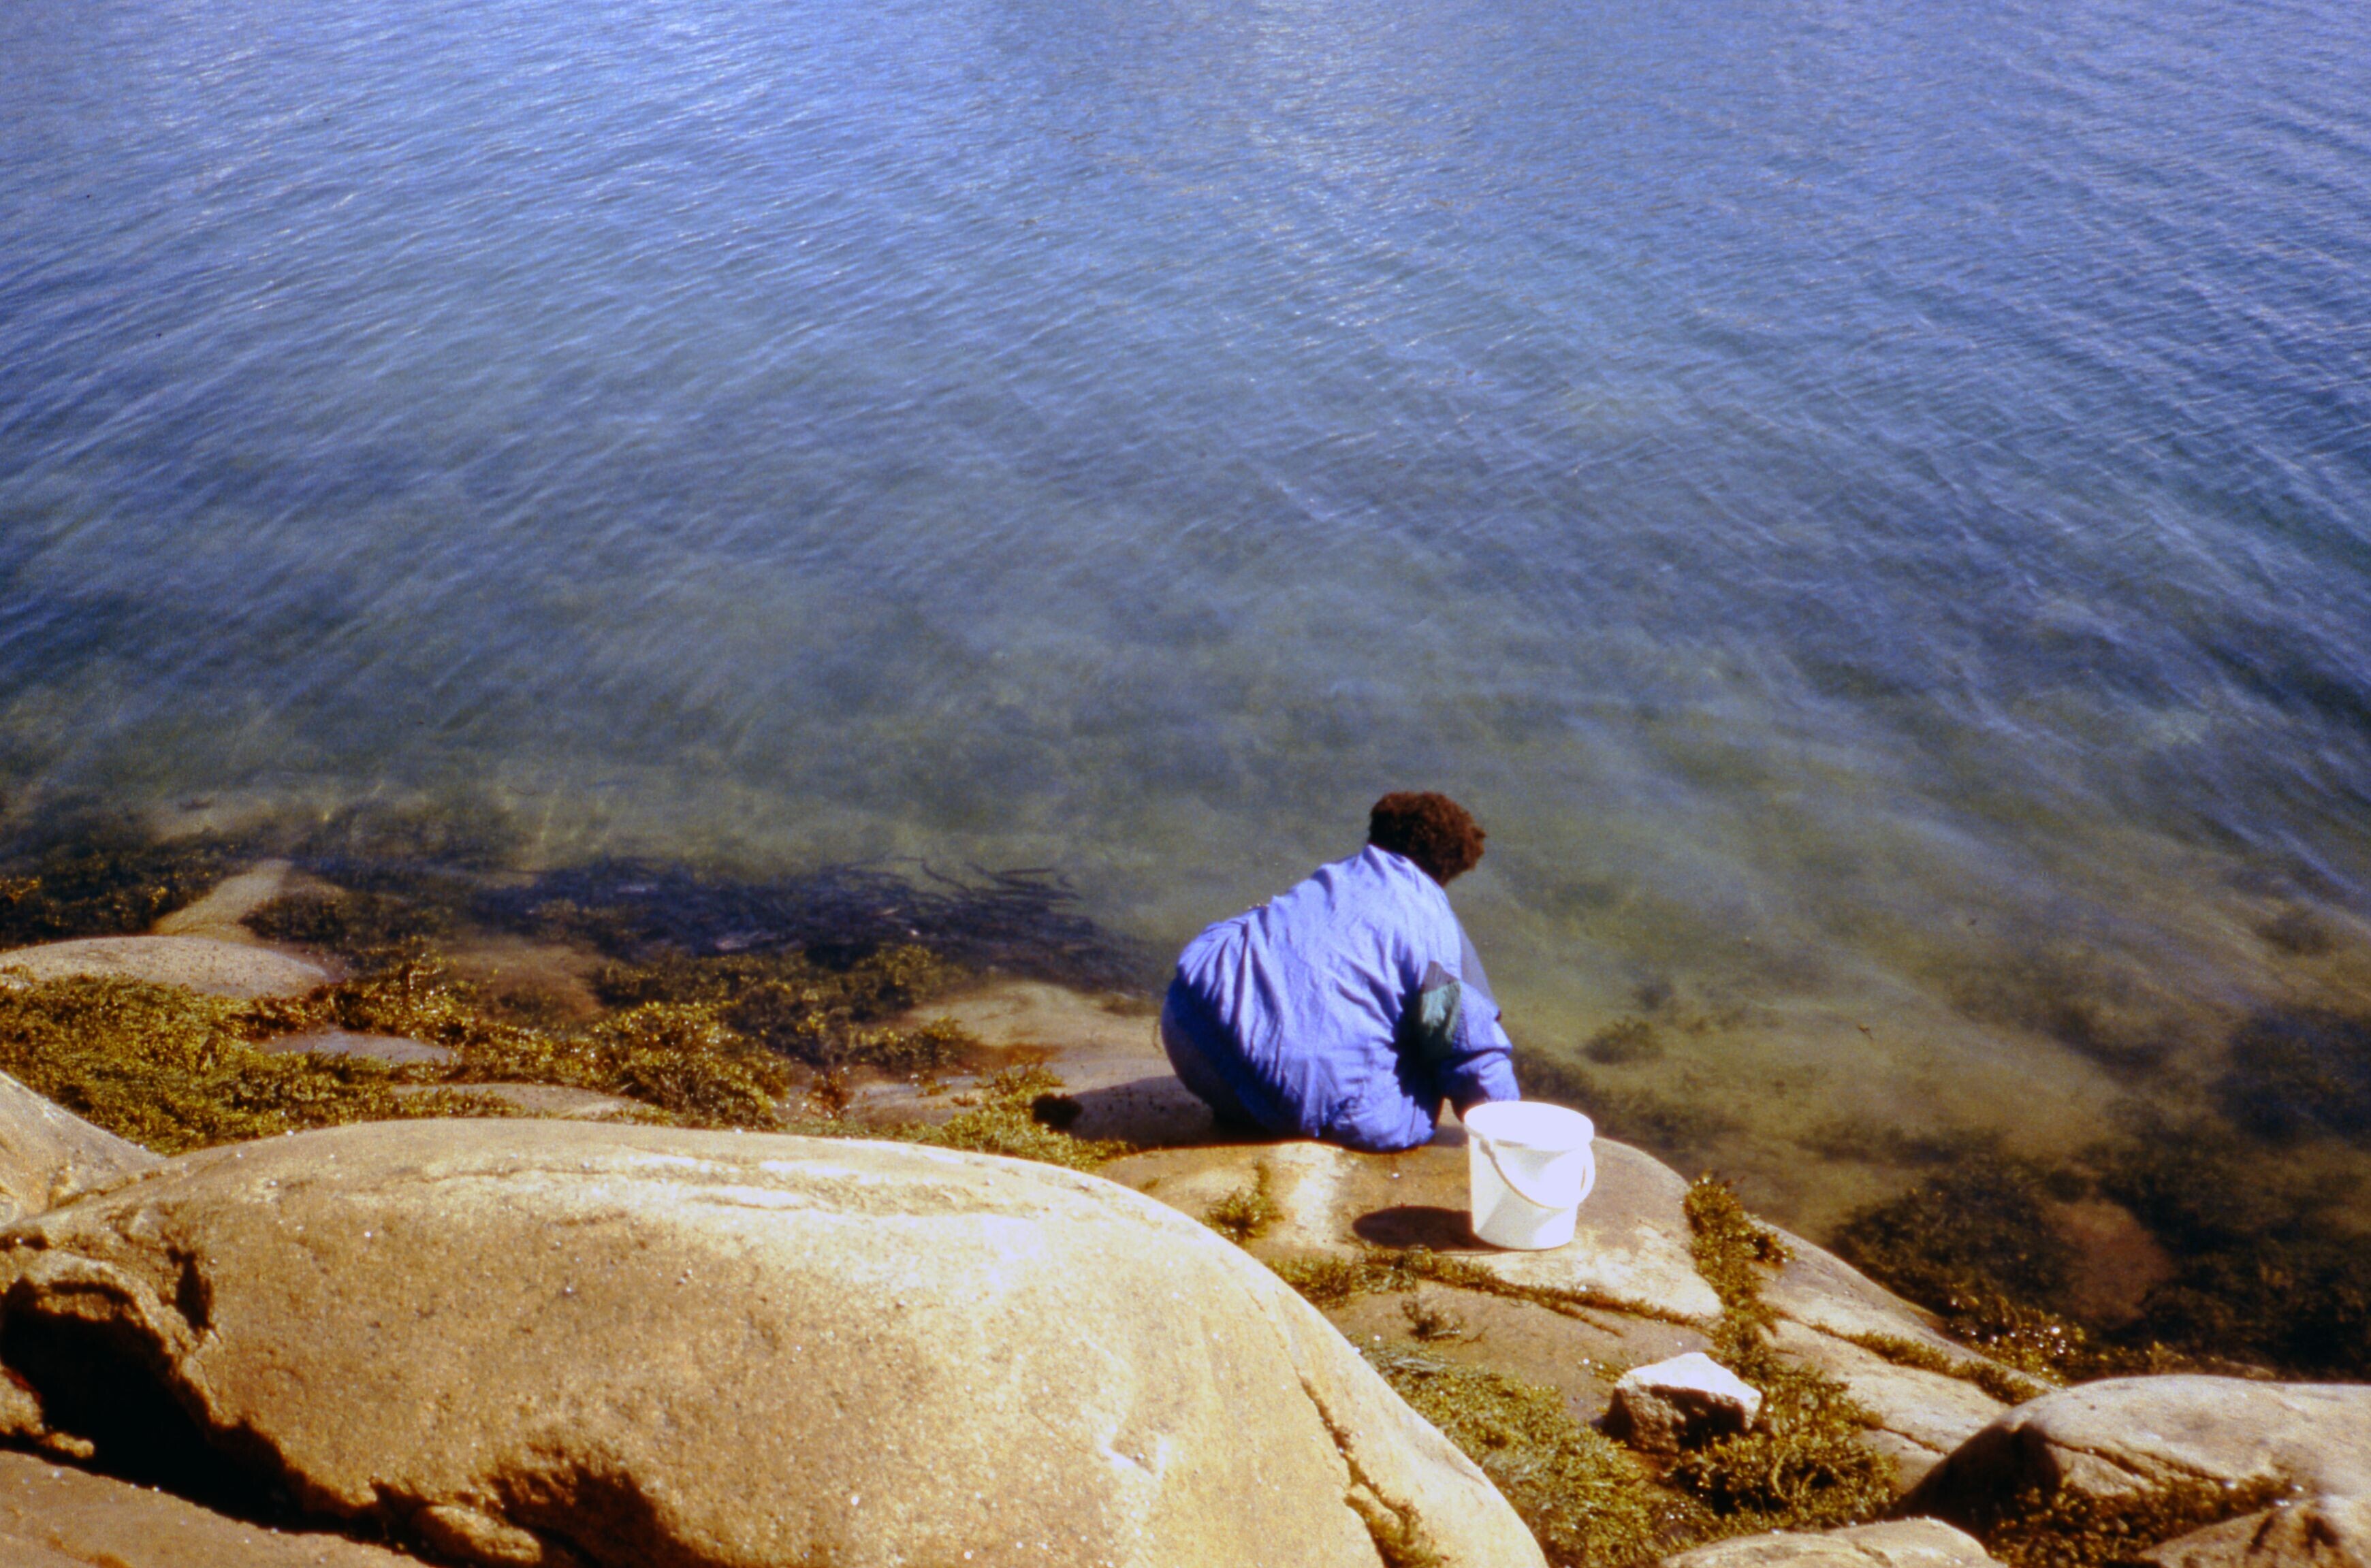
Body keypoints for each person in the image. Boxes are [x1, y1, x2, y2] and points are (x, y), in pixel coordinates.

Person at [1160, 791, 1521, 1152]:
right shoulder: (1434, 925)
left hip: (1187, 1028)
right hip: (1282, 1092)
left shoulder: (1331, 878)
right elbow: (1470, 1052)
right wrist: (1510, 1130)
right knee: (1421, 1087)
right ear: (1447, 871)